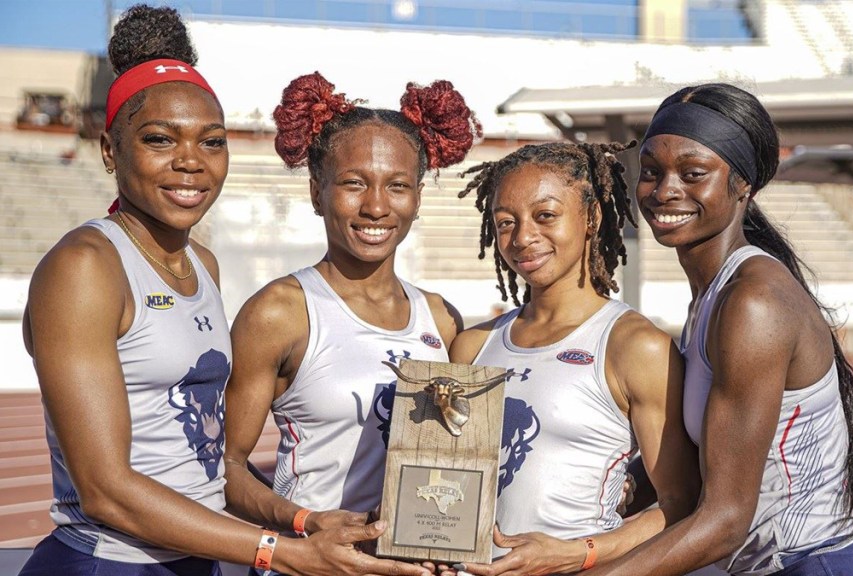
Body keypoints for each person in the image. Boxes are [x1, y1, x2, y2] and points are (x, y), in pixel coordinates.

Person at [18, 5, 429, 576]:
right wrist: (284, 552)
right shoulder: (85, 267)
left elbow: (210, 462)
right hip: (111, 562)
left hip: (197, 559)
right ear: (111, 151)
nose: (190, 162)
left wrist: (303, 520)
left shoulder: (200, 264)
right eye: (160, 139)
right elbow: (104, 490)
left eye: (212, 142)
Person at [586, 84, 853, 576]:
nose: (664, 190)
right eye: (651, 172)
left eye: (694, 174)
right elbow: (693, 467)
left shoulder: (752, 303)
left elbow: (726, 520)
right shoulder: (711, 296)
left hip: (822, 565)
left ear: (744, 185)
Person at [221, 71, 480, 571]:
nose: (377, 206)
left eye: (398, 186)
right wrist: (304, 523)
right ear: (317, 192)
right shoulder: (280, 311)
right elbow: (224, 464)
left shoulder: (442, 319)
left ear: (419, 198)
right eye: (354, 183)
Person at [444, 142, 695, 575]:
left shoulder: (635, 345)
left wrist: (578, 553)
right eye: (506, 222)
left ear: (591, 217)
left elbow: (681, 502)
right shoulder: (472, 347)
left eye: (545, 216)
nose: (523, 237)